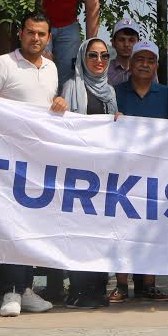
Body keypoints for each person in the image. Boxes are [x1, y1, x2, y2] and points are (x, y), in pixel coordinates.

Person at [0, 11, 66, 317]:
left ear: (49, 37)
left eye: (41, 33)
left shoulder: (52, 68)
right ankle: (11, 291)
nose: (35, 38)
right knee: (12, 225)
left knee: (33, 226)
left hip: (39, 160)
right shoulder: (2, 63)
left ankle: (26, 289)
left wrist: (59, 103)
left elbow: (48, 105)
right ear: (21, 33)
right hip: (8, 158)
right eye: (31, 32)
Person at [111, 40, 168, 303]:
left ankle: (149, 284)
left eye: (150, 60)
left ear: (156, 65)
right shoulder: (115, 92)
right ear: (131, 64)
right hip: (123, 170)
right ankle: (121, 285)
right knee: (122, 228)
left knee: (152, 228)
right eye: (140, 59)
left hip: (156, 171)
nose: (145, 65)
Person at [60, 37, 119, 309]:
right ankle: (78, 291)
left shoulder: (110, 92)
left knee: (100, 232)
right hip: (78, 171)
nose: (99, 61)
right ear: (83, 59)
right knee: (79, 233)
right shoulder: (72, 86)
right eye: (93, 55)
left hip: (103, 172)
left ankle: (97, 289)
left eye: (104, 56)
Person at [106, 17, 141, 86]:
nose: (126, 44)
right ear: (113, 43)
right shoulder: (104, 70)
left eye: (131, 40)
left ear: (138, 43)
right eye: (121, 40)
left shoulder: (145, 70)